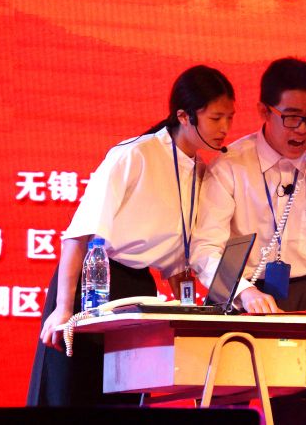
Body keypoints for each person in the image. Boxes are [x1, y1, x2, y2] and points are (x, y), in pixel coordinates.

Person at [27, 65, 235, 406]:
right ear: (184, 116)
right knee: (70, 394)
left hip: (140, 291)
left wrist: (191, 314)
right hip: (93, 284)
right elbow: (78, 236)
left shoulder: (201, 170)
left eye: (230, 117)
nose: (225, 128)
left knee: (124, 396)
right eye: (215, 118)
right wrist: (63, 309)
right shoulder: (134, 154)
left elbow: (176, 261)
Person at [190, 57, 306, 423]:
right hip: (242, 299)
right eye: (292, 117)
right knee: (230, 413)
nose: (303, 130)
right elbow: (204, 249)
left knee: (302, 416)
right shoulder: (231, 164)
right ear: (264, 111)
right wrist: (245, 292)